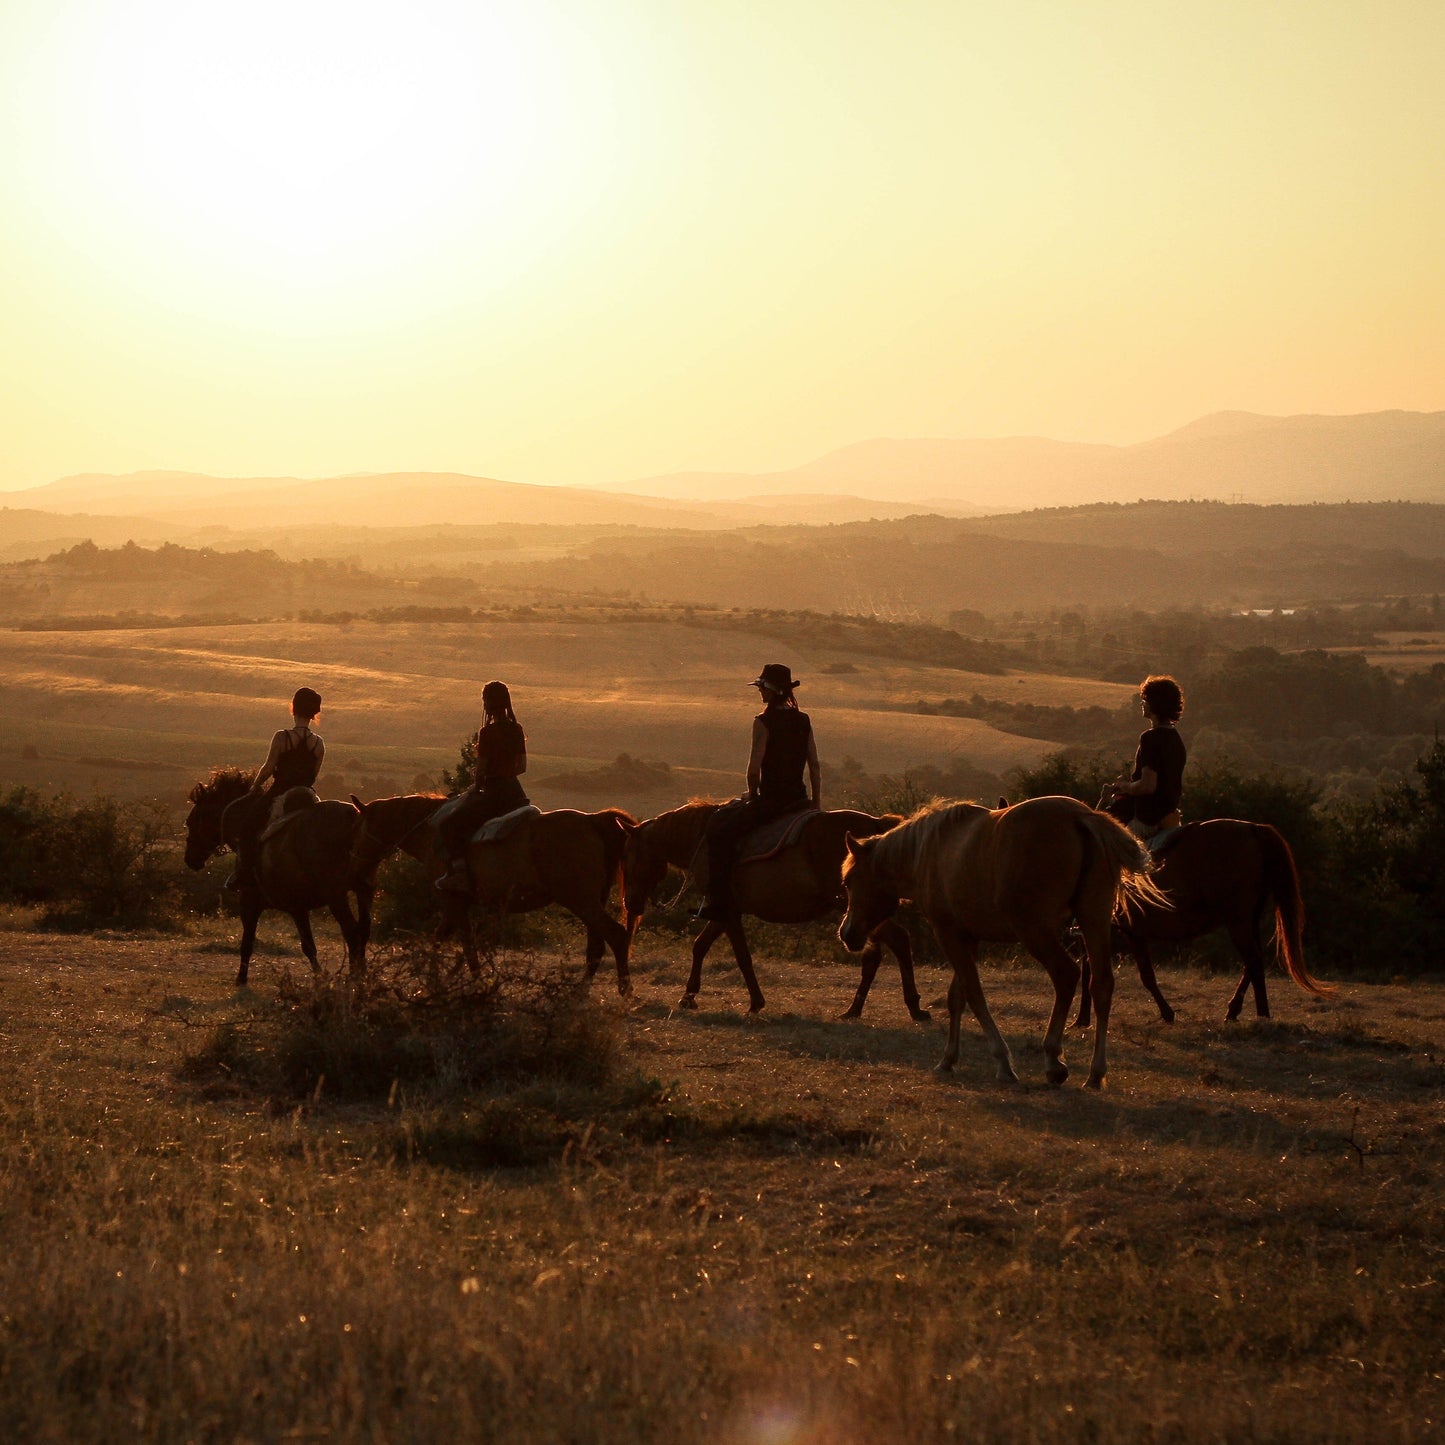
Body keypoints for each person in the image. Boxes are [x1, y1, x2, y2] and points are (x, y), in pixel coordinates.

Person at [697, 663, 821, 921]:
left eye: (762, 688)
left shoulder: (763, 722)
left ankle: (719, 901)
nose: (760, 693)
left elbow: (753, 770)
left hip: (773, 802)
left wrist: (752, 795)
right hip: (799, 800)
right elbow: (815, 767)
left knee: (719, 831)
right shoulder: (803, 720)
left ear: (772, 691)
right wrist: (815, 803)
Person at [226, 687, 325, 891]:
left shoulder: (282, 737)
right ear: (315, 713)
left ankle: (244, 875)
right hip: (307, 794)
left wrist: (255, 787)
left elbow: (269, 767)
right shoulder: (318, 743)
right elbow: (314, 774)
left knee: (247, 828)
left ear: (293, 708)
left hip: (280, 791)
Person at [437, 680, 530, 892]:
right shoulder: (516, 729)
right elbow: (522, 767)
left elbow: (481, 770)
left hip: (493, 792)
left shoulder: (487, 733)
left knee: (449, 824)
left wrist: (478, 784)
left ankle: (459, 873)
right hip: (515, 792)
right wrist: (507, 774)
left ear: (488, 703)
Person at [1105, 674, 1186, 842]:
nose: (1142, 703)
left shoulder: (1150, 738)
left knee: (1110, 847)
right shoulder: (1176, 738)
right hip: (1170, 814)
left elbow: (1148, 786)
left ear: (1153, 704)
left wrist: (1125, 786)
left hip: (1148, 819)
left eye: (1144, 699)